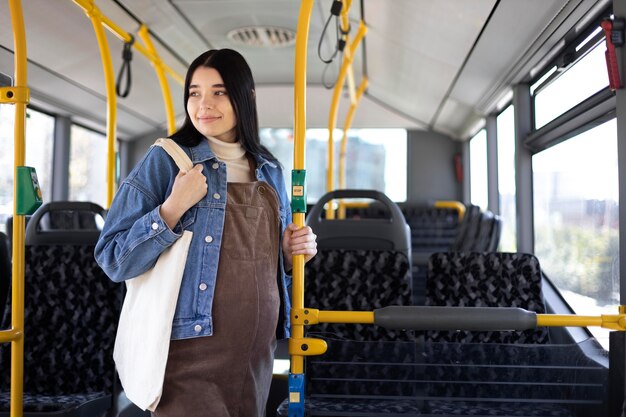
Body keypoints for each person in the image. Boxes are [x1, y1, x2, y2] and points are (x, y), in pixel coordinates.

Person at [95, 48, 317, 417]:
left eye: (219, 91)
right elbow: (113, 258)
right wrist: (171, 210)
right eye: (194, 92)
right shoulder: (166, 160)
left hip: (256, 353)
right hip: (189, 352)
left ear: (246, 97)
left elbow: (269, 261)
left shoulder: (270, 170)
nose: (203, 104)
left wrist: (292, 252)